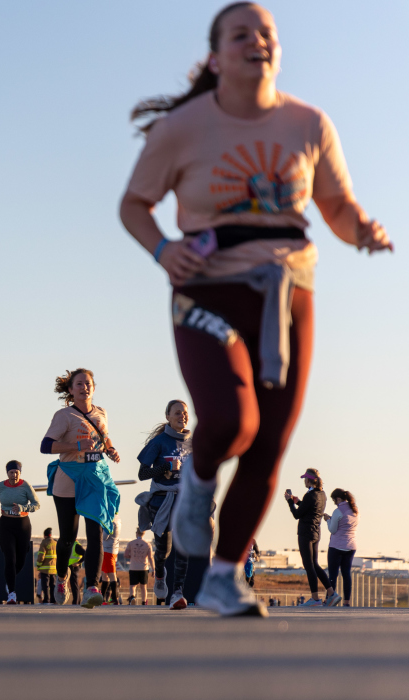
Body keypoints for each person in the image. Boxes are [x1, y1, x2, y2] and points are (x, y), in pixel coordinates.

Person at [120, 2, 393, 617]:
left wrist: (364, 230)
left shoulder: (309, 123)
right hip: (205, 289)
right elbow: (134, 204)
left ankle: (221, 577)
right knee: (229, 421)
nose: (258, 41)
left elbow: (337, 207)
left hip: (288, 291)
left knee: (270, 438)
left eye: (267, 32)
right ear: (217, 55)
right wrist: (164, 250)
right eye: (241, 33)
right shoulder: (183, 128)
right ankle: (198, 477)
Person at [41, 368, 120, 608]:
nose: (84, 387)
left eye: (88, 384)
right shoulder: (63, 416)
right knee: (67, 538)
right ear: (70, 390)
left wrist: (110, 449)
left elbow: (104, 438)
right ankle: (62, 578)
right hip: (69, 477)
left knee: (95, 533)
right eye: (79, 384)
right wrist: (75, 444)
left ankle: (92, 587)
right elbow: (46, 446)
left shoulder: (102, 413)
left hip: (94, 477)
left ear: (93, 387)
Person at [135, 400, 193, 608]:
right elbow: (142, 474)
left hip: (185, 499)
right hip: (161, 500)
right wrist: (166, 466)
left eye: (185, 413)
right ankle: (159, 573)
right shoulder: (159, 442)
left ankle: (177, 593)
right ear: (168, 416)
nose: (182, 416)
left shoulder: (193, 443)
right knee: (163, 551)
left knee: (183, 547)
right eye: (177, 413)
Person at [0, 460, 40, 604]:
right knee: (10, 558)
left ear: (20, 472)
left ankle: (9, 580)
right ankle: (12, 593)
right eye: (11, 472)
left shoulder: (26, 486)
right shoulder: (1, 486)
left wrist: (23, 508)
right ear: (7, 473)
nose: (14, 475)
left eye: (16, 472)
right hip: (6, 524)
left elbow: (37, 504)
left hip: (22, 524)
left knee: (21, 559)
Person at [286, 468, 333, 606]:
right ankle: (331, 593)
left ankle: (315, 599)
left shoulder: (310, 495)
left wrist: (289, 502)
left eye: (305, 479)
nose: (304, 482)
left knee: (308, 565)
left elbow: (297, 515)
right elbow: (309, 509)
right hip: (316, 532)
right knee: (315, 565)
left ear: (309, 480)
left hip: (305, 532)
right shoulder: (321, 494)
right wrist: (298, 502)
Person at [324, 488, 358, 607]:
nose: (335, 503)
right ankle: (347, 602)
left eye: (334, 500)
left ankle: (330, 599)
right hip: (351, 546)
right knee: (346, 574)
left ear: (338, 499)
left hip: (336, 546)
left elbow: (332, 529)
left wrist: (328, 520)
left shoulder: (337, 511)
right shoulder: (354, 510)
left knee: (333, 574)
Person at [124, 529, 155, 604]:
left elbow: (125, 555)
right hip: (143, 568)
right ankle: (144, 601)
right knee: (143, 586)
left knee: (132, 585)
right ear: (144, 533)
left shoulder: (131, 543)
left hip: (133, 567)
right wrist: (153, 569)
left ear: (136, 533)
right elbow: (150, 557)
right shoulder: (147, 544)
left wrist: (132, 556)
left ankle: (132, 597)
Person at [101, 514, 121, 605]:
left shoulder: (111, 522)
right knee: (105, 574)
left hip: (107, 550)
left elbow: (104, 537)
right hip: (113, 549)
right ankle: (103, 598)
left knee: (111, 574)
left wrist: (100, 530)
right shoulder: (118, 520)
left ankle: (114, 598)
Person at [35, 527, 57, 604]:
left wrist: (39, 565)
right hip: (54, 569)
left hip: (45, 569)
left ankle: (46, 600)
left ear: (45, 535)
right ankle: (53, 600)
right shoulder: (55, 543)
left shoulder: (44, 543)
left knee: (45, 586)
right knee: (53, 585)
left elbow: (41, 556)